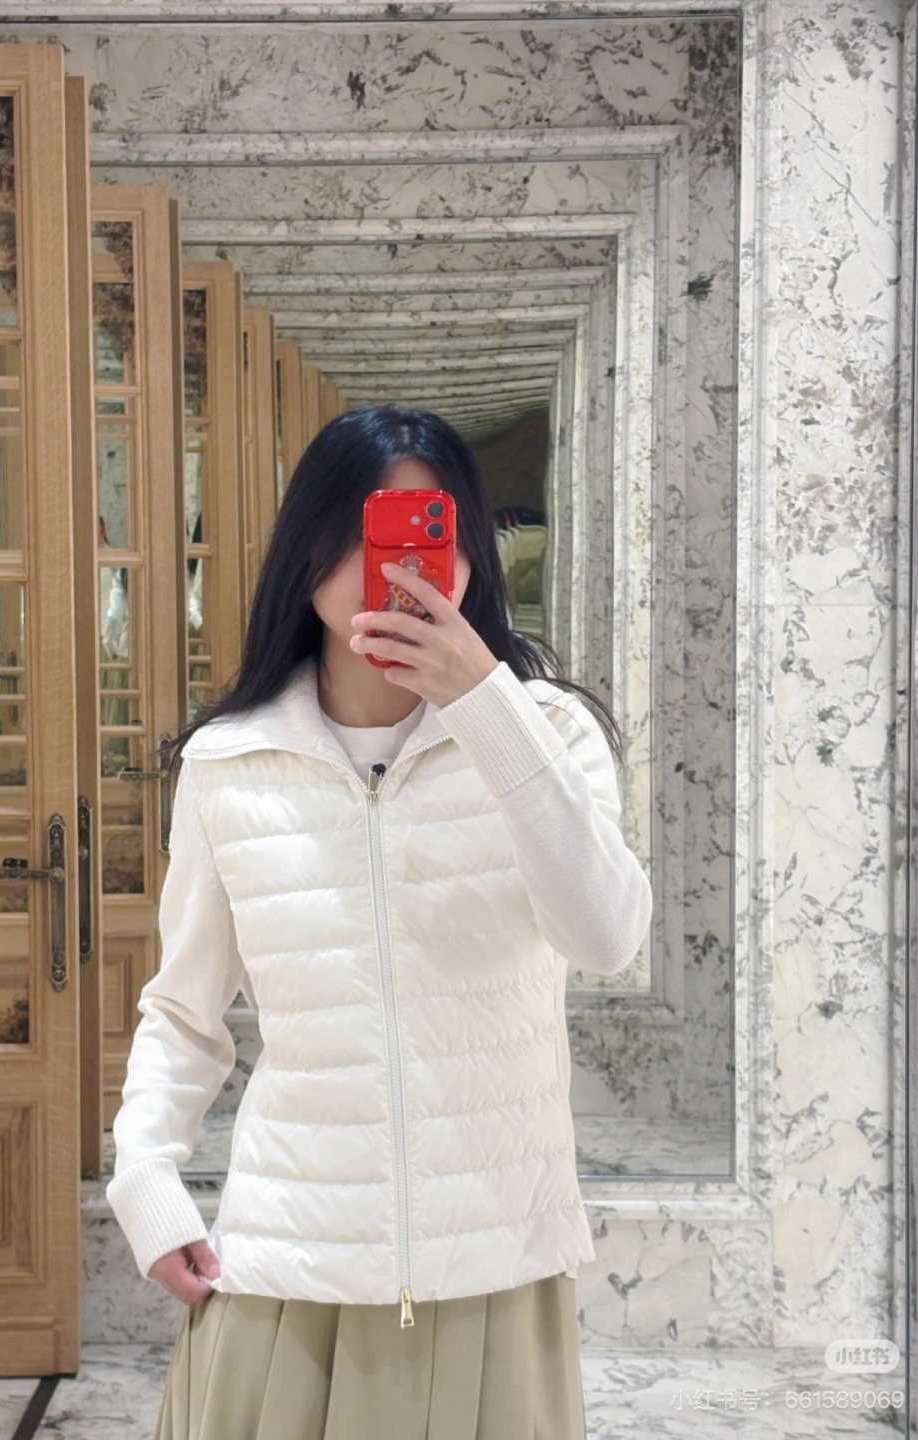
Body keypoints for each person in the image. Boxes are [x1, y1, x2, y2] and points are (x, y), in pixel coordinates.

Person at [107, 403, 654, 1440]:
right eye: (361, 531)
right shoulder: (231, 764)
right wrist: (143, 1174)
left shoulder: (549, 733)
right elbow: (183, 1009)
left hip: (495, 1262)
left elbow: (606, 935)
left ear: (466, 554)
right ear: (306, 550)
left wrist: (486, 705)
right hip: (289, 1264)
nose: (390, 566)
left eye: (422, 534)